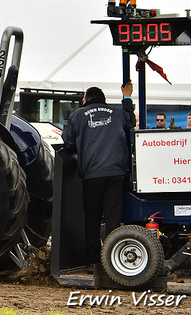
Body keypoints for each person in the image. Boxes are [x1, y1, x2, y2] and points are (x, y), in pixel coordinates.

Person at [62, 81, 135, 273]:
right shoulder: (117, 113)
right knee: (113, 217)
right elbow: (131, 122)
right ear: (103, 100)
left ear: (85, 99)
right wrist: (126, 97)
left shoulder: (77, 116)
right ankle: (112, 261)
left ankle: (93, 262)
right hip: (116, 172)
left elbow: (68, 143)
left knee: (92, 218)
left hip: (92, 174)